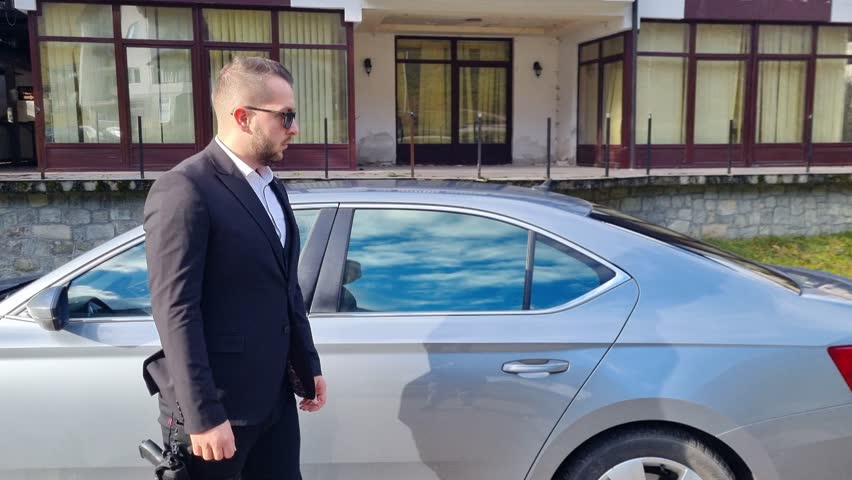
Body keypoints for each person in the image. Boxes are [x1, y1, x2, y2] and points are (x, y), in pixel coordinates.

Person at [142, 56, 326, 479]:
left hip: (274, 402)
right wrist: (203, 413)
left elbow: (285, 288)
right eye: (286, 116)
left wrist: (307, 364)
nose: (294, 127)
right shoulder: (185, 188)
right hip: (218, 413)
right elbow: (175, 310)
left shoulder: (270, 186)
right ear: (242, 117)